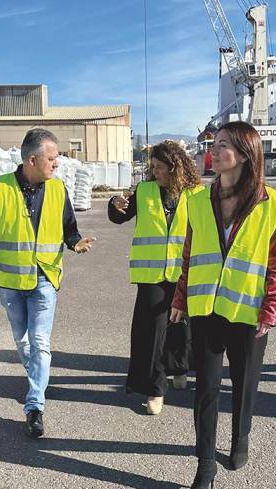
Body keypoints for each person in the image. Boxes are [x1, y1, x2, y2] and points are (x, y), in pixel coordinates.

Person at [169, 121, 276, 489]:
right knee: (205, 389)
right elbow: (189, 254)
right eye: (214, 144)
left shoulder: (273, 204)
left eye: (223, 145)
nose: (214, 150)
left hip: (248, 310)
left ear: (245, 153)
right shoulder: (196, 200)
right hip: (206, 308)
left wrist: (270, 309)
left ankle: (241, 436)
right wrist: (179, 299)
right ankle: (204, 468)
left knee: (244, 382)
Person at [0, 128, 97, 438]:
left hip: (44, 279)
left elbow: (69, 229)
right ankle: (38, 377)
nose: (57, 163)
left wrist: (75, 243)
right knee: (23, 342)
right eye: (52, 158)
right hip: (11, 283)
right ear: (32, 159)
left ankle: (35, 405)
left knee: (39, 342)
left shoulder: (58, 190)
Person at [108, 141, 203, 415]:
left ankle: (180, 367)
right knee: (152, 333)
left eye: (160, 167)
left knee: (181, 326)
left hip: (185, 272)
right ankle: (155, 389)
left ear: (176, 167)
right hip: (151, 275)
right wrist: (116, 205)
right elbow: (119, 217)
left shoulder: (197, 194)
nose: (155, 172)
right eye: (153, 167)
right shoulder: (145, 191)